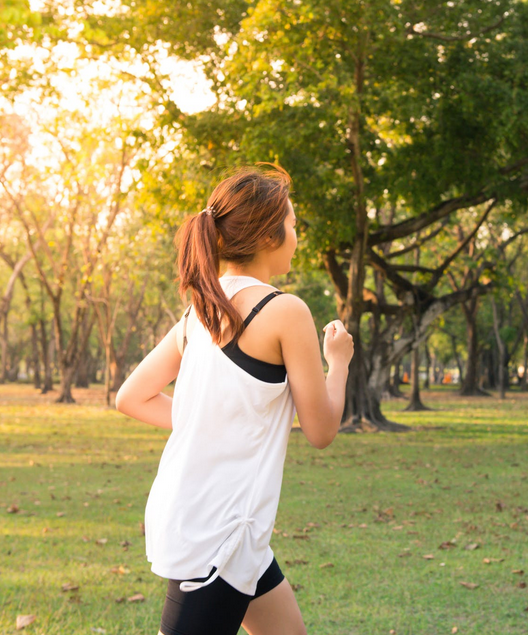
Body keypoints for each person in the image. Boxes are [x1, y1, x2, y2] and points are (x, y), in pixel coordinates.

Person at [115, 164, 353, 635]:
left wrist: (211, 423)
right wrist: (339, 362)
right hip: (217, 536)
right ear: (268, 236)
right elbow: (322, 430)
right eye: (292, 225)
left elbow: (132, 397)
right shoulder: (285, 310)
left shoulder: (200, 310)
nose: (295, 235)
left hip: (221, 526)